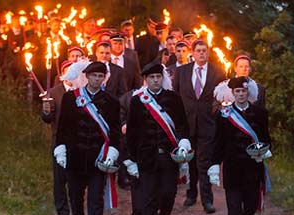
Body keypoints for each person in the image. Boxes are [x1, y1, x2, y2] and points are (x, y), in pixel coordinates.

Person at [55, 62, 121, 215]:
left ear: (104, 78)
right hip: (75, 158)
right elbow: (62, 127)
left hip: (98, 159)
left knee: (96, 202)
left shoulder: (112, 102)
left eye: (100, 76)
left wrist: (112, 151)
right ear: (87, 76)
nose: (97, 79)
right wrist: (61, 149)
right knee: (75, 199)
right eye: (94, 76)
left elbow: (115, 131)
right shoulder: (70, 98)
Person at [126, 63, 191, 214]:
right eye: (151, 77)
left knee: (168, 195)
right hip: (146, 158)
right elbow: (132, 132)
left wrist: (183, 142)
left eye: (158, 77)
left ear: (162, 78)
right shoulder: (137, 101)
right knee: (149, 200)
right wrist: (131, 159)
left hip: (169, 157)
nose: (155, 80)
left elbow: (182, 125)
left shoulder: (174, 98)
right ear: (145, 80)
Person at [173, 39, 226, 213]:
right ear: (193, 53)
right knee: (190, 162)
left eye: (204, 50)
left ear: (208, 52)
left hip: (207, 124)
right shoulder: (181, 72)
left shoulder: (218, 72)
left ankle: (207, 201)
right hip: (186, 125)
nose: (201, 53)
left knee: (204, 163)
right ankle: (191, 194)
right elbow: (174, 98)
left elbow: (221, 98)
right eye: (198, 50)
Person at [208, 76, 272, 215]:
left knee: (250, 208)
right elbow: (218, 141)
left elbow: (265, 137)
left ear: (248, 92)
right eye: (238, 91)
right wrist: (214, 164)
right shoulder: (224, 114)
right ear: (233, 93)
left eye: (243, 91)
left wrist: (266, 150)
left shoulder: (260, 113)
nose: (241, 94)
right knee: (234, 209)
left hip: (253, 168)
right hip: (232, 169)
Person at [41, 60, 88, 215]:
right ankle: (62, 210)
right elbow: (48, 118)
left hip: (78, 142)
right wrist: (47, 112)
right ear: (62, 75)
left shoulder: (83, 91)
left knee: (76, 180)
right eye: (68, 71)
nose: (71, 74)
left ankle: (77, 209)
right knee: (60, 179)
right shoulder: (54, 92)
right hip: (59, 141)